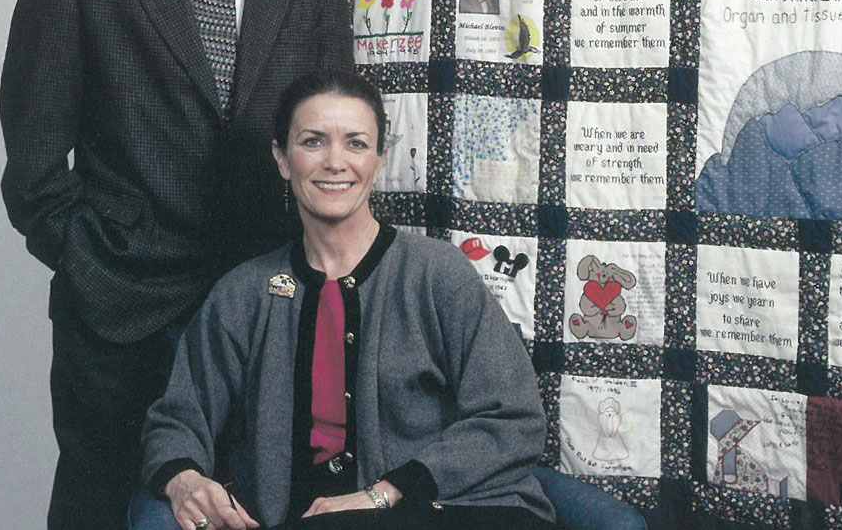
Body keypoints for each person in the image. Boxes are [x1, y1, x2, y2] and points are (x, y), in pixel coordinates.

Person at [0, 0, 353, 530]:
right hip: (118, 307)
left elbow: (329, 142)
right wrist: (90, 260)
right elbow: (31, 160)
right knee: (100, 505)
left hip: (265, 305)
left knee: (250, 508)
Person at [139, 70, 556, 530]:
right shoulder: (244, 293)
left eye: (356, 144)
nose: (335, 162)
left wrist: (383, 493)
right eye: (313, 141)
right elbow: (176, 418)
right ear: (282, 158)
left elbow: (514, 418)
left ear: (379, 161)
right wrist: (182, 479)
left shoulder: (438, 274)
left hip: (459, 513)